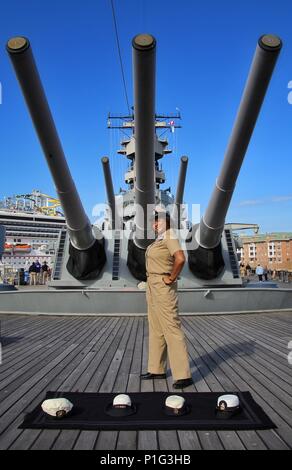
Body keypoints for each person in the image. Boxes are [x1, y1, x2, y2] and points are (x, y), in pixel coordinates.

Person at [141, 209, 193, 389]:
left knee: (171, 327)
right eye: (154, 222)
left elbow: (180, 258)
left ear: (167, 222)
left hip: (163, 285)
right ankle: (157, 369)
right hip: (152, 284)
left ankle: (183, 375)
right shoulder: (159, 239)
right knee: (156, 328)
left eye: (158, 221)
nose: (155, 224)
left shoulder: (170, 235)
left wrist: (171, 278)